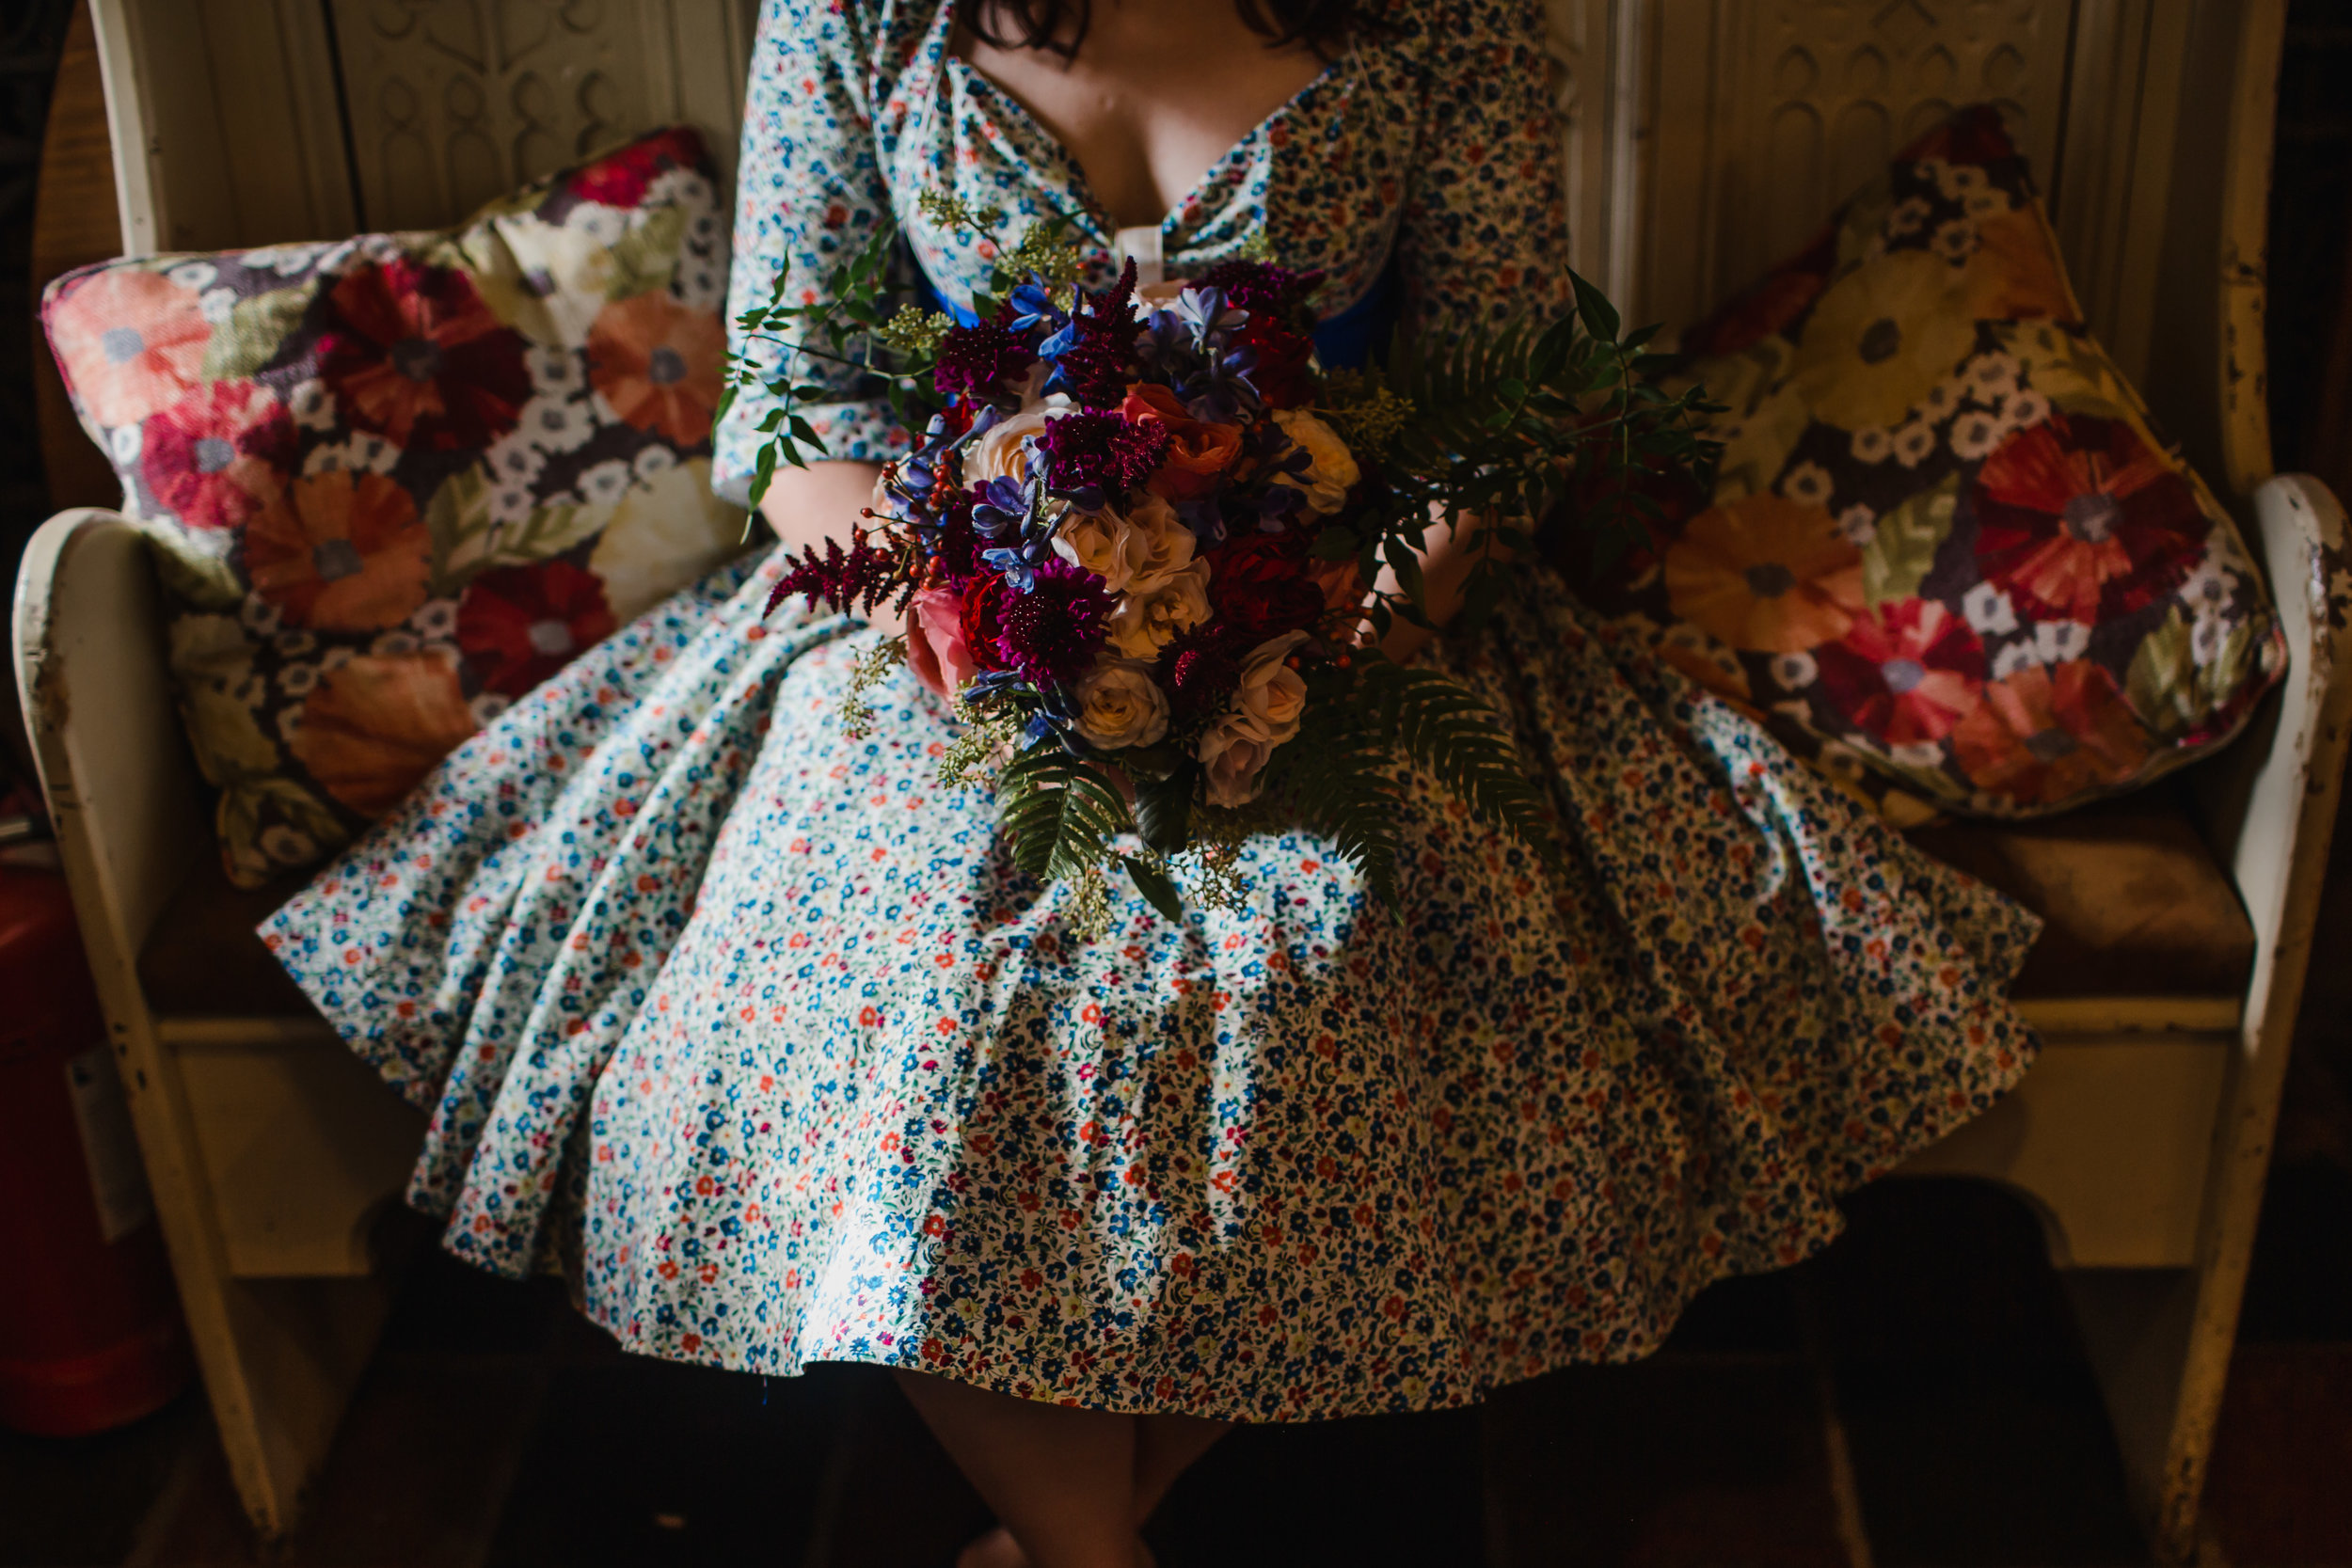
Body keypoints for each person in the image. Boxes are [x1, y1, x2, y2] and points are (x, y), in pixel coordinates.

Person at [262, 1, 2042, 1564]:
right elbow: (792, 402)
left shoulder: (1442, 23)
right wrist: (979, 619)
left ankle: (1068, 1538)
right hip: (935, 620)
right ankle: (1092, 1551)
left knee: (1317, 981)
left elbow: (1498, 405)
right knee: (923, 1010)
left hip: (1336, 616)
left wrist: (1331, 635)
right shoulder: (864, 13)